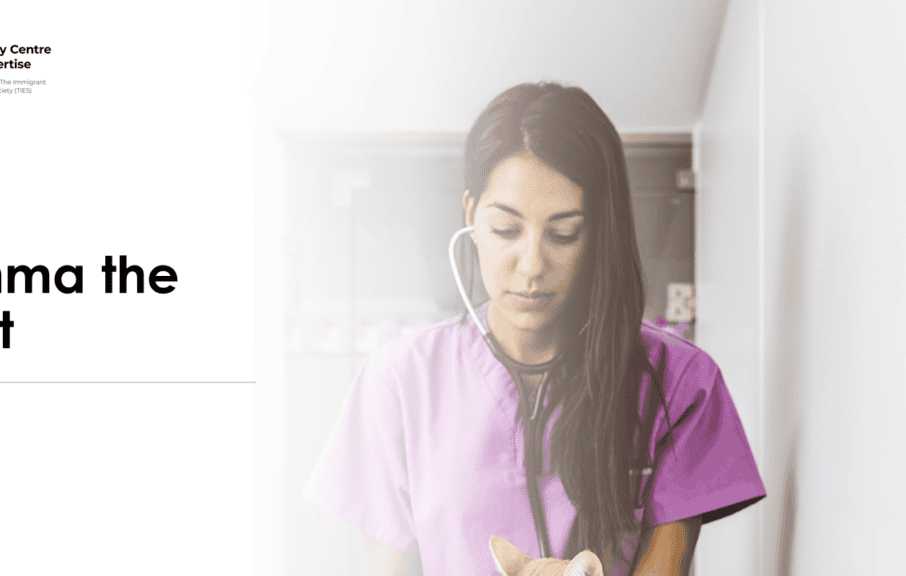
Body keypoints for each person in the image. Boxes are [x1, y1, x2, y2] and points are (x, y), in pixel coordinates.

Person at [302, 82, 766, 576]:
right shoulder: (399, 382)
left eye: (565, 233)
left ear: (600, 232)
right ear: (470, 216)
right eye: (505, 229)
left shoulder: (680, 385)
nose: (531, 265)